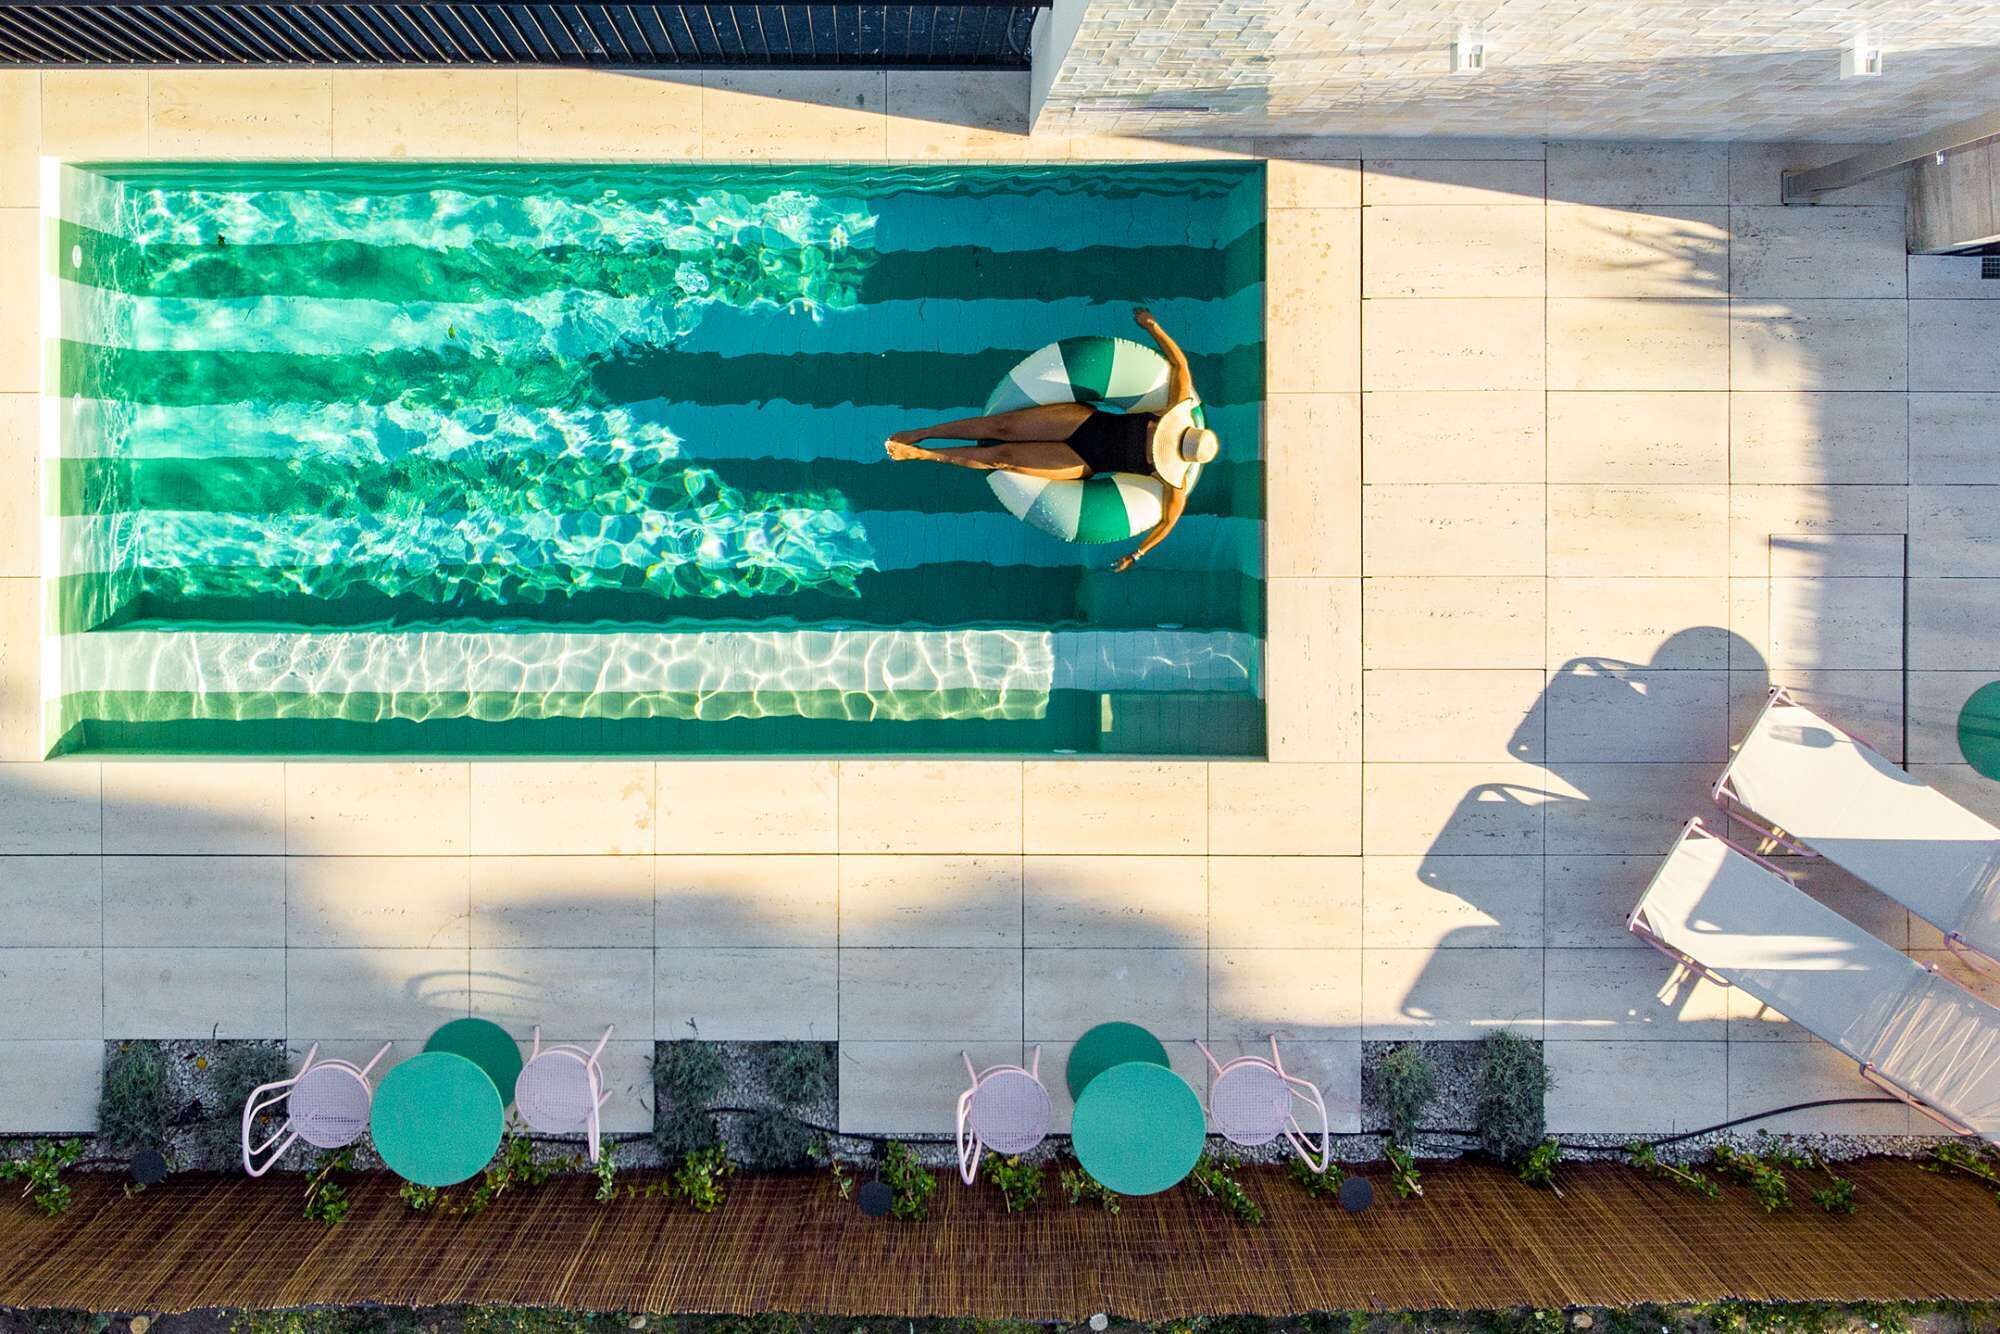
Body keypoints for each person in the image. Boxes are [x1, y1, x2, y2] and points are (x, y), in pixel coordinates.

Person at [884, 307, 1218, 572]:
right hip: (1083, 422)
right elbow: (1180, 363)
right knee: (1002, 428)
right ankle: (924, 433)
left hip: (1081, 463)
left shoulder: (1173, 484)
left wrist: (1137, 554)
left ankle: (925, 456)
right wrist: (1151, 326)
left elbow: (1167, 522)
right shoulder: (1177, 406)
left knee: (1003, 458)